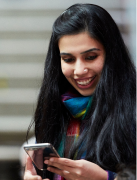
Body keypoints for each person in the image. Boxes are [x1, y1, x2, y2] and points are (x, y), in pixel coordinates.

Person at [24, 3, 137, 180]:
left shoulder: (132, 109)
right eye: (68, 59)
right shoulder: (54, 109)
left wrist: (107, 178)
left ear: (112, 54)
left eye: (90, 57)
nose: (79, 70)